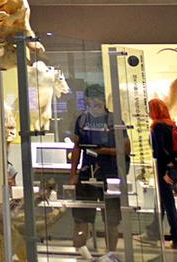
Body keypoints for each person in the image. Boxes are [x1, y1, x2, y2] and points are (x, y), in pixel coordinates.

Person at [69, 83, 128, 260]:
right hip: (87, 174)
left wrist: (102, 151)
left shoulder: (114, 121)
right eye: (89, 105)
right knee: (82, 217)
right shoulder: (82, 121)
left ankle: (111, 255)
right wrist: (73, 174)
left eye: (96, 105)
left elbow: (125, 149)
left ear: (103, 102)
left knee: (111, 219)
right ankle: (81, 254)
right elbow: (76, 147)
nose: (93, 109)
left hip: (110, 175)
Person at [136, 98, 177, 250]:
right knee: (163, 204)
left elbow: (160, 153)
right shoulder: (170, 124)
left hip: (165, 171)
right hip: (174, 170)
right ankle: (153, 233)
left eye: (149, 109)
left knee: (168, 205)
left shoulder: (158, 127)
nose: (148, 113)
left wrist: (163, 173)